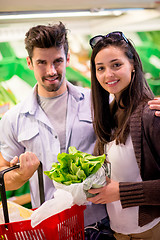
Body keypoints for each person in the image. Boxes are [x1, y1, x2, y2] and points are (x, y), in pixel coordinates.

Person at [0, 22, 115, 239]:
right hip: (50, 228)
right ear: (29, 63)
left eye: (58, 61)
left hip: (100, 223)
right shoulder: (13, 119)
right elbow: (2, 176)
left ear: (68, 59)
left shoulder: (98, 101)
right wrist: (22, 174)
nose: (51, 71)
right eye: (42, 63)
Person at [86, 31, 160, 239]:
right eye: (100, 68)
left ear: (133, 65)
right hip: (118, 232)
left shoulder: (150, 114)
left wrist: (121, 192)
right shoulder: (108, 114)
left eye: (116, 65)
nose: (108, 74)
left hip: (151, 231)